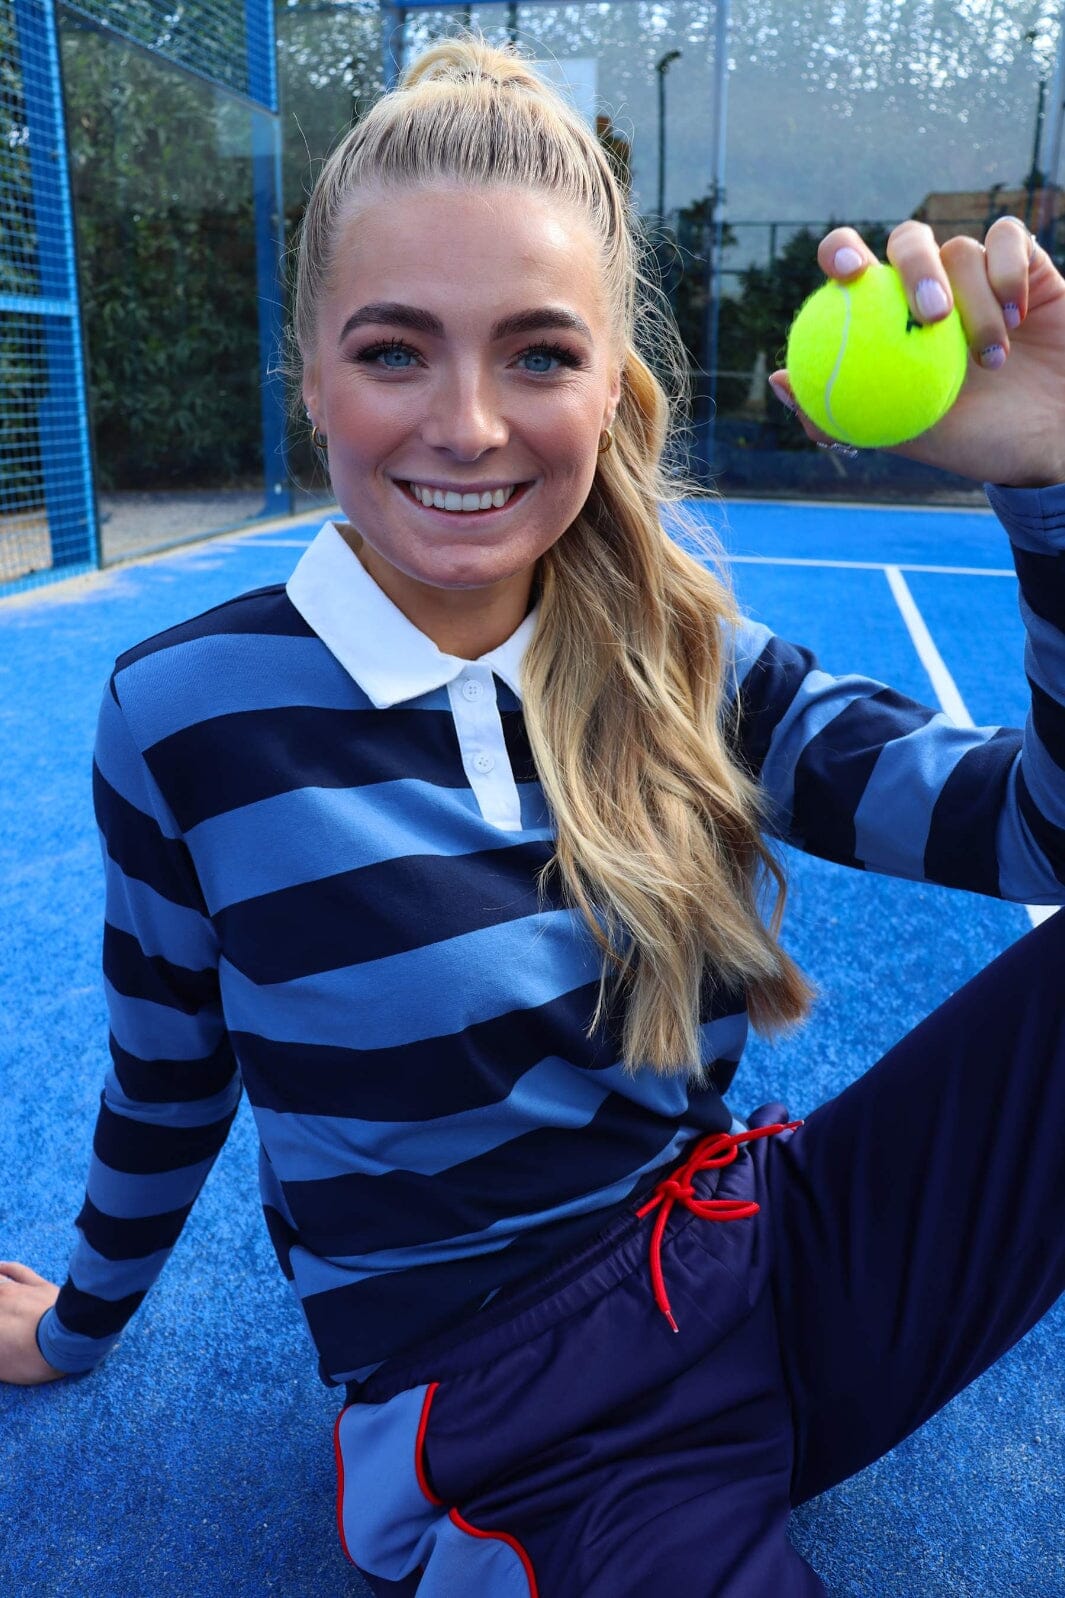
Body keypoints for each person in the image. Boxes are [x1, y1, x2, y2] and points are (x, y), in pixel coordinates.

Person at [3, 31, 1065, 1597]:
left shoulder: (692, 660)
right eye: (391, 350)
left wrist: (1047, 486)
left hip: (768, 1259)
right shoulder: (185, 713)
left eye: (535, 353)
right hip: (513, 1418)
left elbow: (1033, 834)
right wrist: (78, 1318)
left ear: (610, 383)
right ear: (309, 375)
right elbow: (171, 1067)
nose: (468, 423)